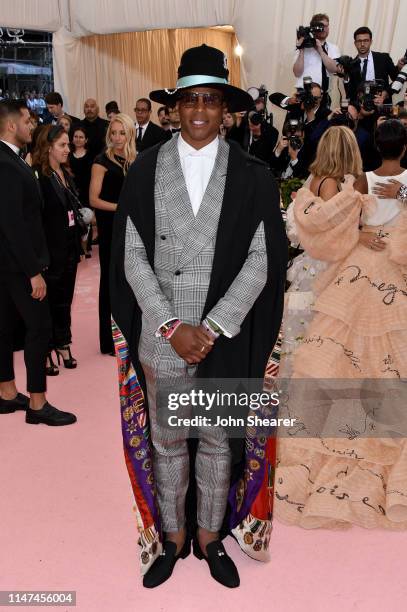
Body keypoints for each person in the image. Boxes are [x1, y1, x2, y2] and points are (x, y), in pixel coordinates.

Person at [110, 44, 287, 588]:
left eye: (212, 100)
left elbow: (262, 261)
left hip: (221, 338)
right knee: (166, 441)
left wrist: (210, 328)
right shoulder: (143, 170)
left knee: (215, 440)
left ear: (227, 109)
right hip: (165, 337)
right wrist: (170, 326)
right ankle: (172, 537)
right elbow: (131, 256)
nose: (201, 111)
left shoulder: (255, 177)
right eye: (191, 99)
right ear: (174, 107)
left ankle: (210, 538)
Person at [275, 123, 407, 529]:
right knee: (384, 354)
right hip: (390, 277)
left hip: (356, 273)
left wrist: (362, 235)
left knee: (341, 350)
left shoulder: (361, 180)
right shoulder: (369, 182)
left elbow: (346, 226)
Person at [0, 100, 76, 426]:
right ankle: (37, 403)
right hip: (18, 265)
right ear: (11, 125)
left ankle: (5, 393)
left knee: (3, 329)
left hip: (8, 264)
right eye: (28, 121)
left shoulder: (13, 160)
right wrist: (34, 271)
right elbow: (12, 224)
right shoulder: (5, 164)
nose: (33, 126)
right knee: (40, 328)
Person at [32, 125, 83, 375]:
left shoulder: (65, 172)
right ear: (48, 147)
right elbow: (35, 220)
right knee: (49, 302)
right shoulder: (39, 177)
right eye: (62, 145)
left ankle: (63, 342)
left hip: (69, 249)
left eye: (68, 145)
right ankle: (47, 348)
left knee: (65, 299)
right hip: (50, 252)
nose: (67, 149)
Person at [90, 113, 136, 354]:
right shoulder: (101, 161)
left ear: (129, 134)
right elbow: (93, 199)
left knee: (132, 280)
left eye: (122, 132)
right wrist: (121, 207)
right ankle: (108, 341)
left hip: (132, 228)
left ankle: (129, 334)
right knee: (110, 280)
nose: (117, 137)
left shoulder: (136, 160)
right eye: (113, 132)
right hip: (110, 228)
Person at [345, 27, 406, 103]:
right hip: (360, 107)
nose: (362, 44)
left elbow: (396, 79)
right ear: (355, 43)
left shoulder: (383, 58)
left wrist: (385, 93)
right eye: (359, 41)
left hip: (382, 104)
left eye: (366, 41)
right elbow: (350, 92)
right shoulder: (351, 65)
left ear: (371, 42)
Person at [293, 13, 340, 104]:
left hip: (323, 96)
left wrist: (320, 50)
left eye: (326, 26)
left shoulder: (333, 48)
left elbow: (334, 69)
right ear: (313, 28)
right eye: (321, 26)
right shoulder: (303, 47)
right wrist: (301, 49)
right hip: (302, 94)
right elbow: (297, 73)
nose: (324, 29)